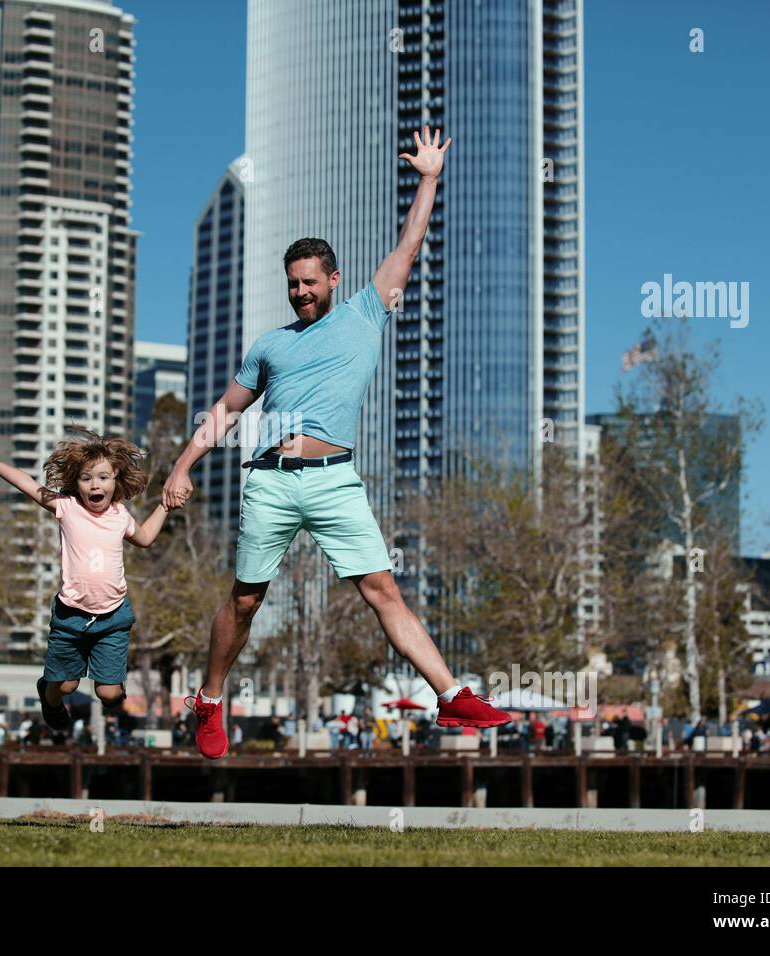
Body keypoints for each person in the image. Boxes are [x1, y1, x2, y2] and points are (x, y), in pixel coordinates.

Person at [161, 128, 512, 759]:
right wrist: (183, 466)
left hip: (334, 480)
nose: (299, 292)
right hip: (270, 479)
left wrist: (429, 177)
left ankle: (451, 695)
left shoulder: (366, 312)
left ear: (334, 278)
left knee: (384, 593)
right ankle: (211, 698)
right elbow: (226, 411)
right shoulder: (268, 344)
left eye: (309, 282)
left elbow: (410, 242)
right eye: (292, 283)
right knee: (245, 600)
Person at [0, 432, 174, 732]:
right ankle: (48, 697)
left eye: (103, 477)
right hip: (70, 617)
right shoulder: (67, 507)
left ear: (116, 479)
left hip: (112, 617)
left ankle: (110, 687)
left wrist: (166, 506)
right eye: (86, 478)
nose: (95, 484)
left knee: (109, 694)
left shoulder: (120, 515)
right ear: (76, 483)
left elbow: (144, 537)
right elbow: (27, 483)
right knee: (64, 687)